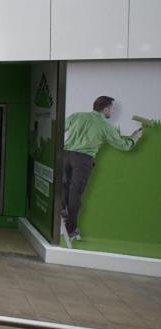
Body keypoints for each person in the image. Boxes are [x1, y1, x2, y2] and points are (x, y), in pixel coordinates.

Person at [62, 96, 141, 245]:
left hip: (66, 155)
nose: (111, 111)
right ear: (105, 109)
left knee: (65, 186)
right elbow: (123, 145)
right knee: (75, 192)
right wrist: (134, 137)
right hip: (83, 160)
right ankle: (71, 229)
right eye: (111, 109)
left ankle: (62, 210)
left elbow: (61, 128)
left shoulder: (77, 116)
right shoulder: (104, 126)